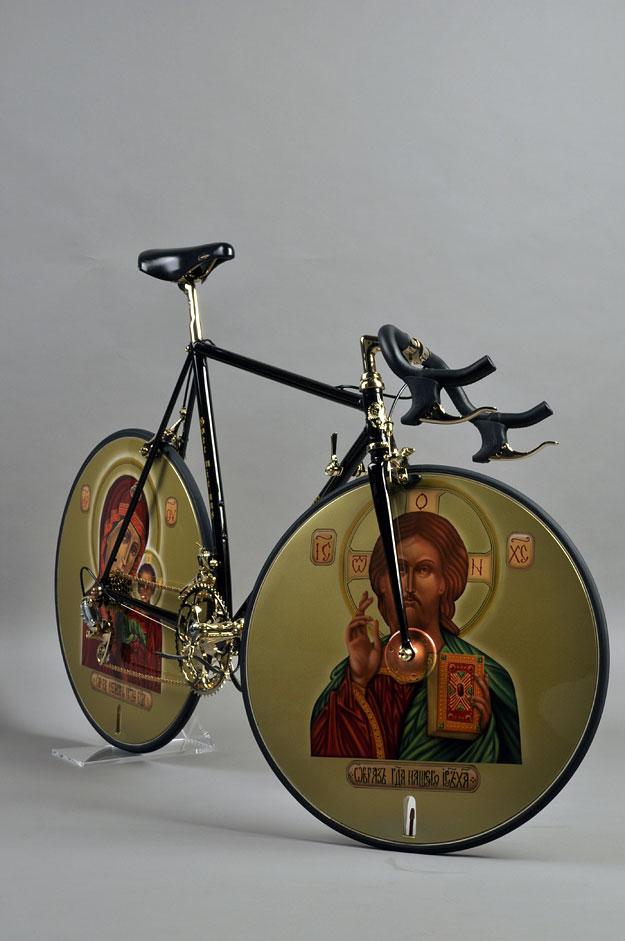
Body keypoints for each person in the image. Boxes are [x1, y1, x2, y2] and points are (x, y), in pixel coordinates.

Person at [310, 511, 521, 763]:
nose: (408, 586)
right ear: (381, 582)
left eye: (424, 570)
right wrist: (357, 683)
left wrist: (481, 733)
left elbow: (510, 774)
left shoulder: (486, 677)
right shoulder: (359, 670)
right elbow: (327, 765)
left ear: (445, 581)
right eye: (398, 569)